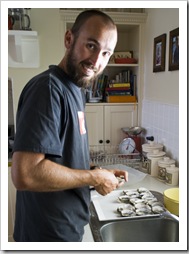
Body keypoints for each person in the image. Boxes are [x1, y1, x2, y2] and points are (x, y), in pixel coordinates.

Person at [11, 9, 128, 242]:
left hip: (66, 228)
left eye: (106, 53)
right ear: (69, 39)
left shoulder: (74, 89)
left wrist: (97, 171)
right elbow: (25, 174)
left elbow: (61, 158)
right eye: (92, 46)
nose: (97, 62)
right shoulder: (48, 89)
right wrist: (94, 179)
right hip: (47, 236)